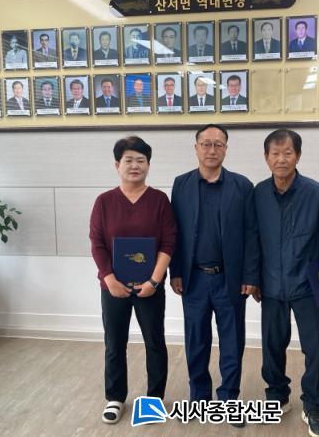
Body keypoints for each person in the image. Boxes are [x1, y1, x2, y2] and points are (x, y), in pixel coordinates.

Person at [253, 129, 319, 437]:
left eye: (287, 153)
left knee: (315, 347)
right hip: (271, 283)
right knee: (272, 345)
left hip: (311, 283)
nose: (281, 159)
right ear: (266, 157)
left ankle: (314, 406)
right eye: (275, 153)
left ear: (298, 156)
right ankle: (277, 396)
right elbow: (253, 240)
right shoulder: (259, 194)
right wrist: (253, 279)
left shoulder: (316, 194)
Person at [170, 124, 259, 427]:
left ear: (226, 149)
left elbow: (251, 234)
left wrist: (250, 275)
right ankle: (199, 397)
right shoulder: (181, 184)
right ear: (196, 148)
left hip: (229, 279)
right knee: (196, 340)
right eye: (206, 144)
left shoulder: (242, 186)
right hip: (193, 279)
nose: (212, 150)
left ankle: (229, 399)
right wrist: (176, 271)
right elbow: (175, 233)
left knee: (232, 342)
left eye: (218, 144)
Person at [89, 136, 176, 425]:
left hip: (150, 287)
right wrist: (110, 280)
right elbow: (97, 244)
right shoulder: (104, 202)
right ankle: (115, 398)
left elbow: (169, 242)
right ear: (117, 165)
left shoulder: (159, 200)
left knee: (155, 342)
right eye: (129, 160)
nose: (135, 165)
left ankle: (154, 400)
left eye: (141, 160)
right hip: (113, 287)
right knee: (115, 343)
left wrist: (154, 281)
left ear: (148, 165)